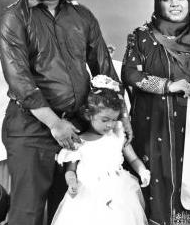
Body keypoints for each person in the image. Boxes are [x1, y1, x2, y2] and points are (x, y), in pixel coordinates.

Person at [0, 0, 127, 225]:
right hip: (32, 131)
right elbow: (20, 81)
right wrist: (55, 123)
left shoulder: (82, 16)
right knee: (28, 214)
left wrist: (121, 117)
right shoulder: (14, 18)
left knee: (74, 211)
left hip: (78, 128)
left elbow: (105, 70)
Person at [122, 0, 190, 225]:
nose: (175, 3)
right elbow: (130, 74)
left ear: (189, 1)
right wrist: (167, 85)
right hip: (155, 125)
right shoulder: (143, 36)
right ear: (158, 3)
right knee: (158, 181)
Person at [52, 86, 151, 225]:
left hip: (118, 192)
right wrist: (72, 183)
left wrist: (142, 171)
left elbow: (133, 158)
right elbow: (70, 171)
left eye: (114, 120)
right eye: (105, 120)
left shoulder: (117, 135)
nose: (110, 125)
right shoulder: (79, 142)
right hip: (88, 192)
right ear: (88, 115)